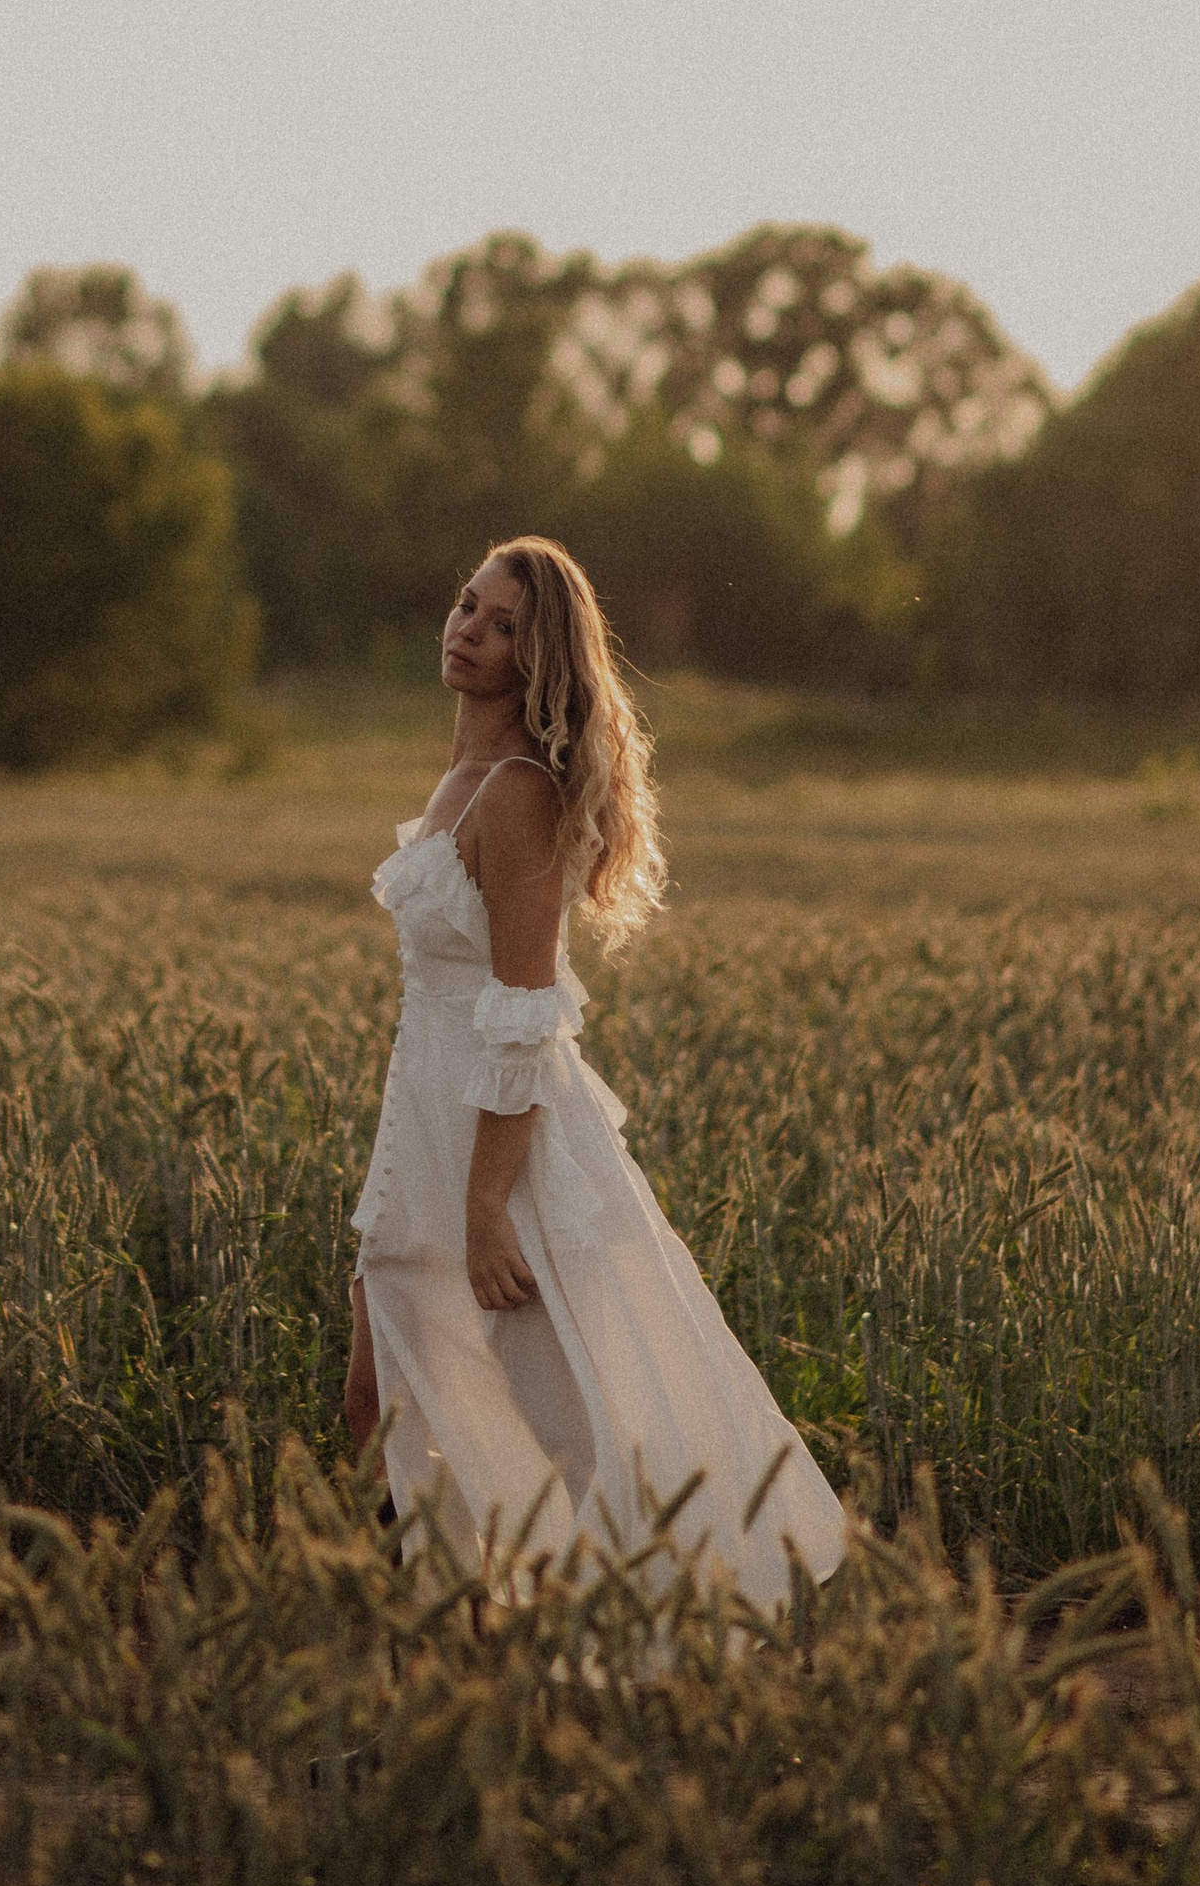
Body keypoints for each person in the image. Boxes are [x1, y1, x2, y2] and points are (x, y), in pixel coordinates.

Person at [344, 534, 845, 1604]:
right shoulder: (457, 781)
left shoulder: (516, 791)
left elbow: (523, 1012)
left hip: (501, 1143)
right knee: (379, 1399)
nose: (469, 631)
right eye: (467, 606)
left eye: (503, 625)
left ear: (541, 658)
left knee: (563, 1414)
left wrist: (486, 1204)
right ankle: (442, 1647)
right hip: (421, 1116)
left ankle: (580, 1635)